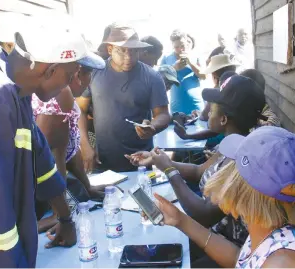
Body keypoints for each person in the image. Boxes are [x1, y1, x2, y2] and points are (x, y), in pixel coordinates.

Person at [0, 17, 88, 267]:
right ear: (49, 71)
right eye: (70, 75)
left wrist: (65, 218)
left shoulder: (15, 85)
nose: (72, 85)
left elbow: (40, 159)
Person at [126, 75, 266, 266]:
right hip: (209, 238)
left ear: (224, 118)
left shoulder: (242, 160)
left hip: (226, 252)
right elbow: (199, 171)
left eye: (212, 106)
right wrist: (160, 161)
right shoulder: (230, 143)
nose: (207, 111)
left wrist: (169, 170)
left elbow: (204, 215)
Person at [145, 126, 295, 268]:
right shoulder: (269, 227)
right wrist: (180, 220)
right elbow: (239, 259)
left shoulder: (284, 264)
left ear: (244, 188)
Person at [32, 48, 107, 232]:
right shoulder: (61, 95)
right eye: (89, 74)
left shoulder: (66, 95)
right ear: (77, 74)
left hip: (48, 187)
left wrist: (87, 187)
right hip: (40, 190)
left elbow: (69, 151)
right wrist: (61, 213)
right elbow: (51, 156)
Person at [77, 25, 170, 173]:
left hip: (139, 162)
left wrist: (153, 126)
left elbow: (164, 115)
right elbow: (79, 109)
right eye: (122, 50)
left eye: (133, 51)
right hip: (102, 161)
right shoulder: (95, 72)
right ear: (109, 49)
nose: (128, 57)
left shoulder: (152, 77)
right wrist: (85, 146)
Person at [174, 54, 237, 141]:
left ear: (214, 75)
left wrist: (187, 135)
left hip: (221, 139)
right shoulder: (238, 87)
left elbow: (205, 118)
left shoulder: (217, 93)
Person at [161, 29, 206, 115]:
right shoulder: (166, 58)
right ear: (172, 45)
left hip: (196, 106)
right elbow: (159, 81)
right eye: (176, 47)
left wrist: (190, 62)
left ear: (187, 43)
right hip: (176, 108)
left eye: (182, 45)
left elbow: (204, 76)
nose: (180, 49)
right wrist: (174, 68)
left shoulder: (196, 56)